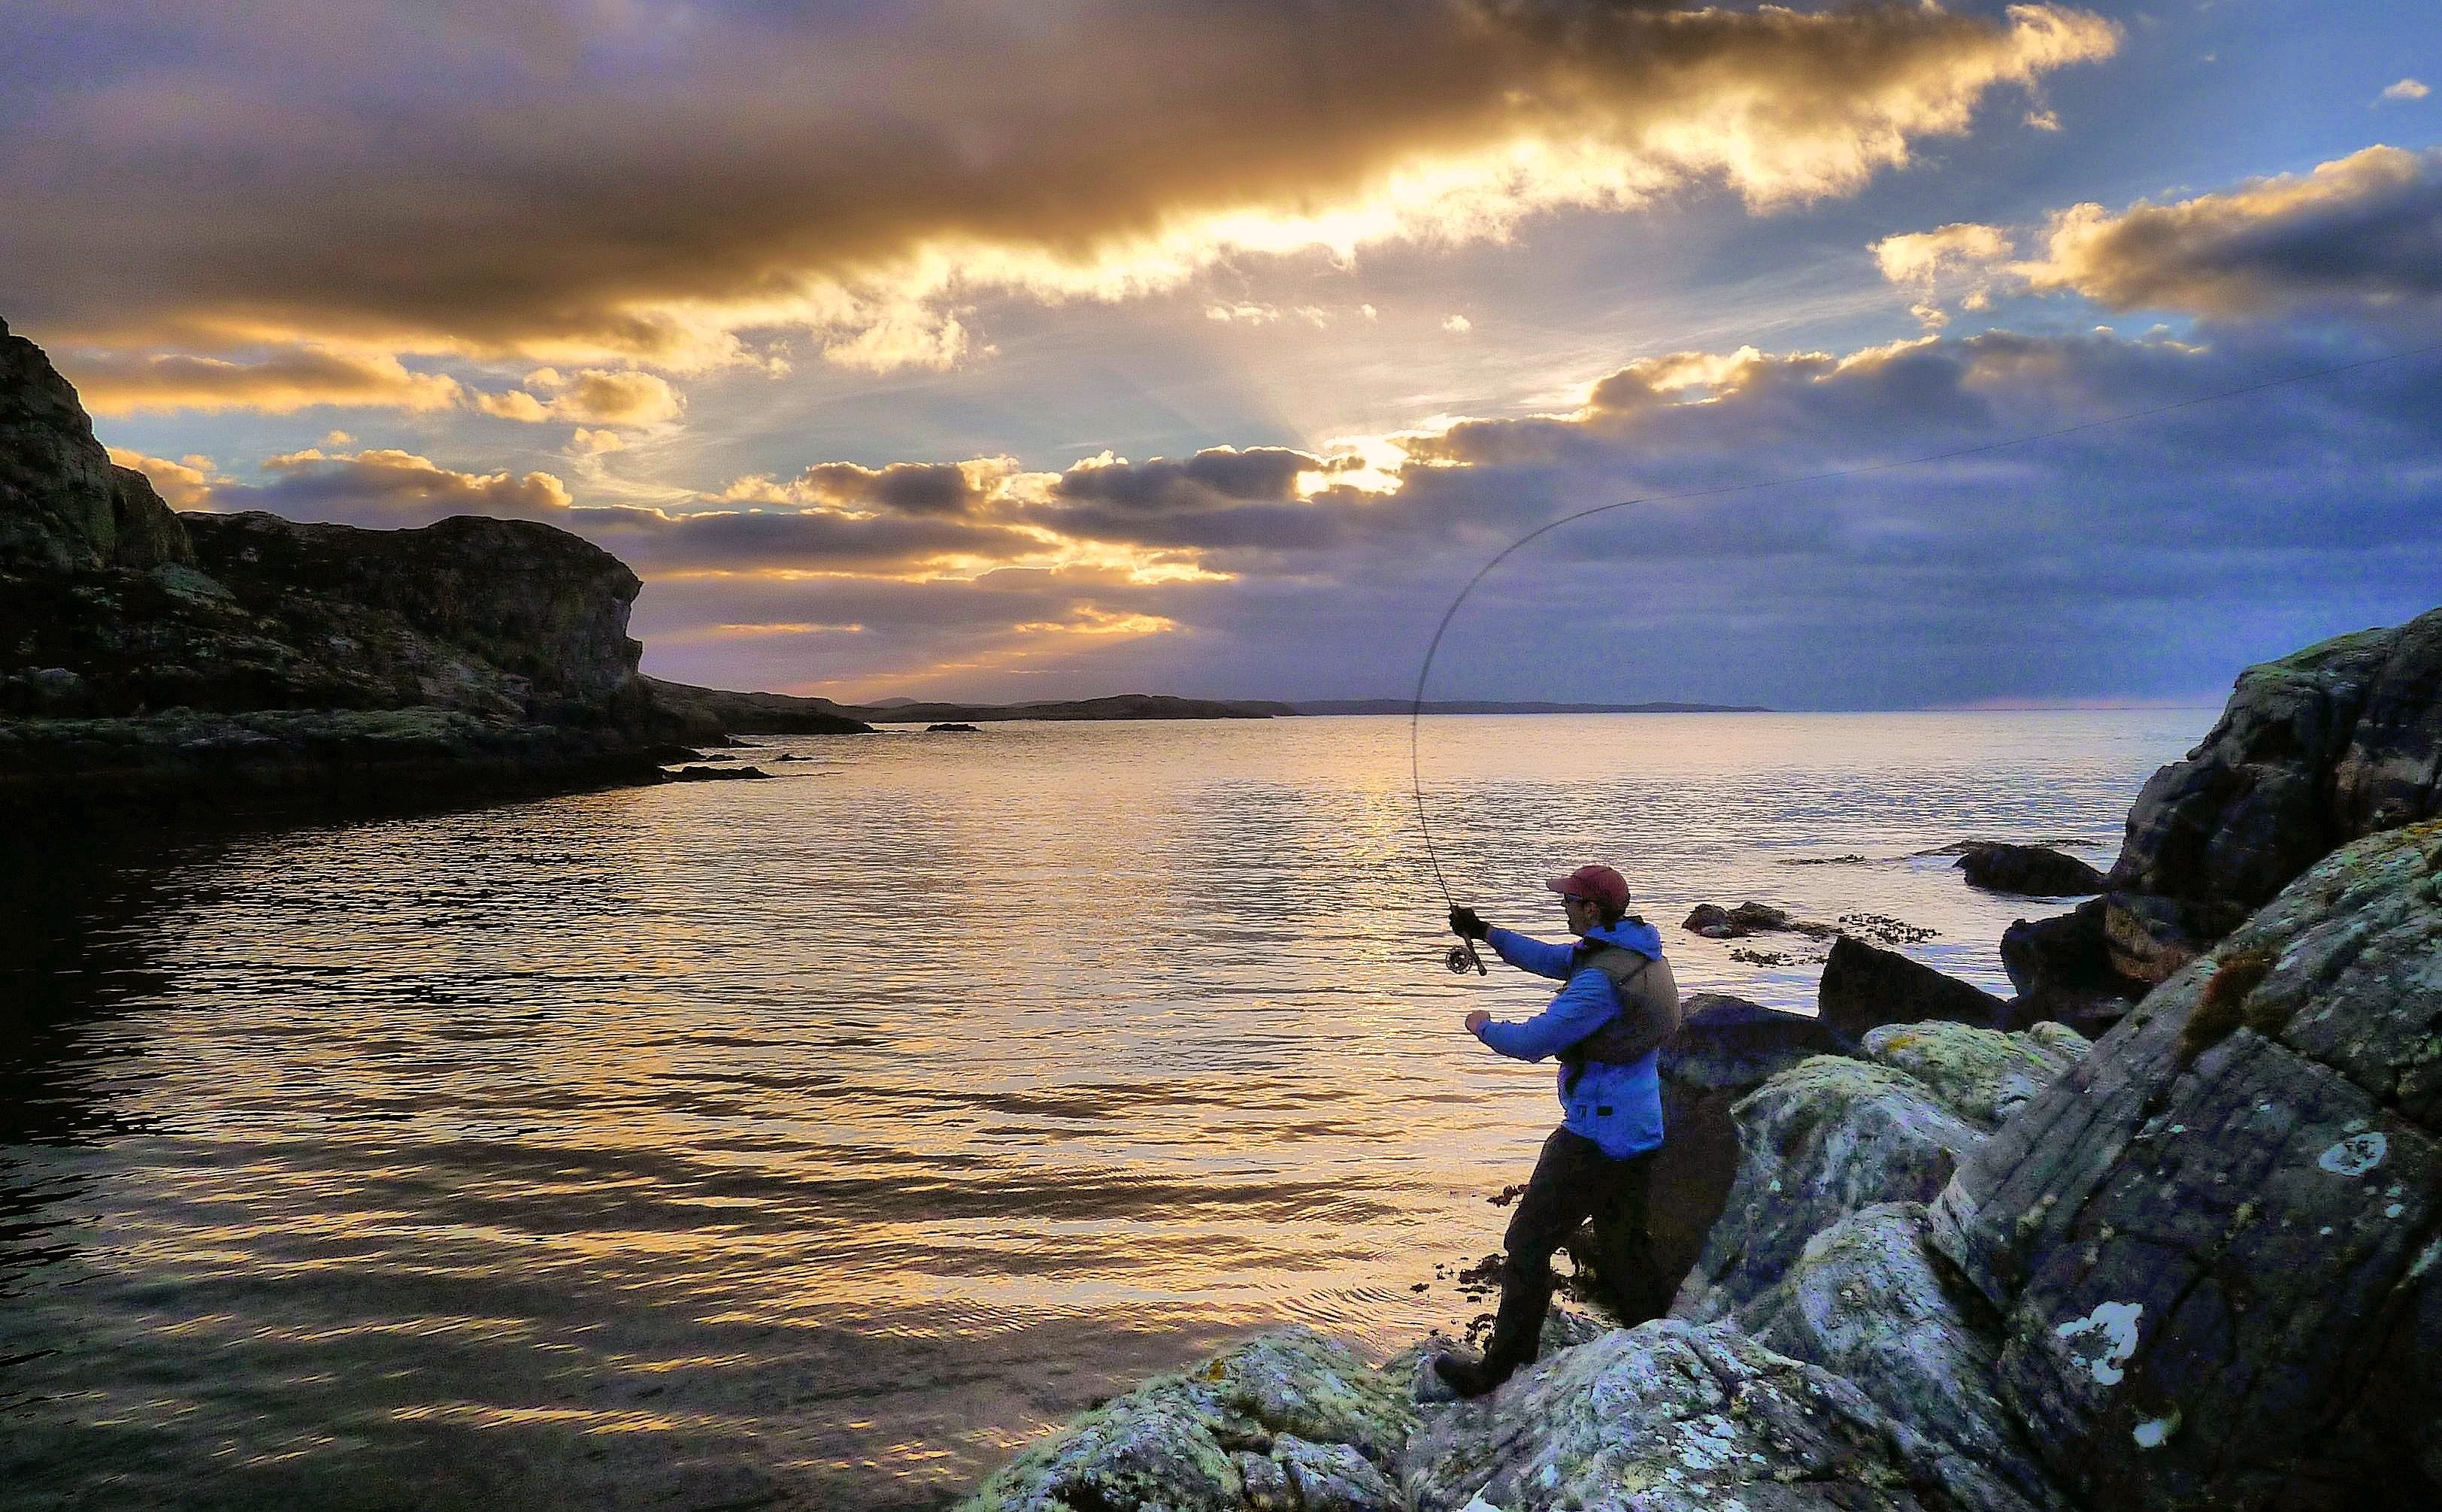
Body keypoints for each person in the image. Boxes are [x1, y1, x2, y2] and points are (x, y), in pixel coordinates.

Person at [1435, 862, 1681, 1398]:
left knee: (1527, 1242)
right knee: (1624, 1245)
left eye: (1568, 901)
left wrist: (1482, 1026)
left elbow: (1532, 1042)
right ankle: (1664, 1349)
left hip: (1597, 1134)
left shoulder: (1599, 983)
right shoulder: (1636, 950)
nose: (1563, 907)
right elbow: (1551, 959)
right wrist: (1485, 932)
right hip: (1642, 1126)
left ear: (1590, 909)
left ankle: (1500, 1370)